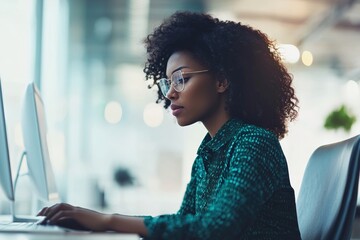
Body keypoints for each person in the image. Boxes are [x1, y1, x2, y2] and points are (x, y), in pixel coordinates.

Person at [38, 11, 302, 239]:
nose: (169, 94)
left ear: (222, 80)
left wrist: (108, 221)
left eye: (181, 79)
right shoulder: (207, 155)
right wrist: (105, 223)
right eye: (167, 83)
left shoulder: (254, 142)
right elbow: (184, 226)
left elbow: (216, 228)